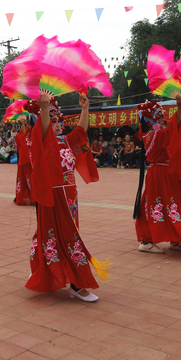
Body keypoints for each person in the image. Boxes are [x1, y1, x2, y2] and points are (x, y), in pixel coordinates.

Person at [27, 93, 108, 302]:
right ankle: (76, 285)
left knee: (65, 235)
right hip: (53, 197)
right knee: (61, 237)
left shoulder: (65, 140)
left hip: (70, 197)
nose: (56, 125)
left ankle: (56, 276)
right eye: (51, 121)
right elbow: (42, 131)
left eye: (58, 121)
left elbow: (81, 131)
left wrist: (85, 109)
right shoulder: (42, 141)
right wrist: (44, 108)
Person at [134, 97, 181, 253]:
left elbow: (174, 128)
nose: (162, 120)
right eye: (158, 118)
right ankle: (146, 241)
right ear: (150, 121)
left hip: (167, 174)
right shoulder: (153, 136)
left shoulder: (157, 134)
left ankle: (177, 239)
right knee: (156, 205)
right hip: (159, 174)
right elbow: (173, 128)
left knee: (175, 204)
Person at [14, 115, 34, 205]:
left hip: (32, 160)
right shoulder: (19, 136)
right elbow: (23, 135)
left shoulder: (32, 133)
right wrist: (23, 123)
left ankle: (33, 196)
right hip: (25, 160)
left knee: (31, 179)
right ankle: (31, 197)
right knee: (28, 179)